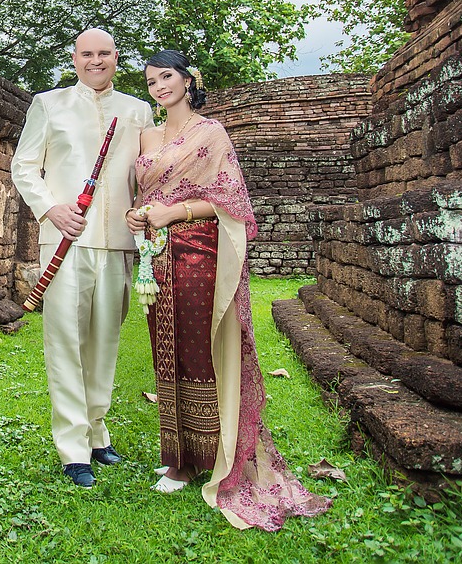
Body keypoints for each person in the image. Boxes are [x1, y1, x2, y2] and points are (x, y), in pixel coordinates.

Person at [125, 49, 330, 529]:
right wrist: (140, 215)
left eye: (167, 77)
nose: (159, 87)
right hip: (155, 256)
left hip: (200, 253)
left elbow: (231, 199)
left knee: (201, 349)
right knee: (165, 349)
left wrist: (175, 213)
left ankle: (207, 455)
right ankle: (181, 452)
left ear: (187, 79)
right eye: (152, 81)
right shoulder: (148, 136)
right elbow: (147, 195)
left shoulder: (210, 133)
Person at [11, 28, 154, 488]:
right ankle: (73, 447)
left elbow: (147, 175)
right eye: (87, 54)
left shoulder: (138, 111)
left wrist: (146, 213)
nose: (96, 61)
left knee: (105, 344)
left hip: (119, 241)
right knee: (66, 343)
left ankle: (97, 432)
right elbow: (24, 166)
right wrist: (50, 209)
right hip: (66, 240)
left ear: (117, 57)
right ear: (74, 59)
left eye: (105, 53)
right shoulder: (48, 104)